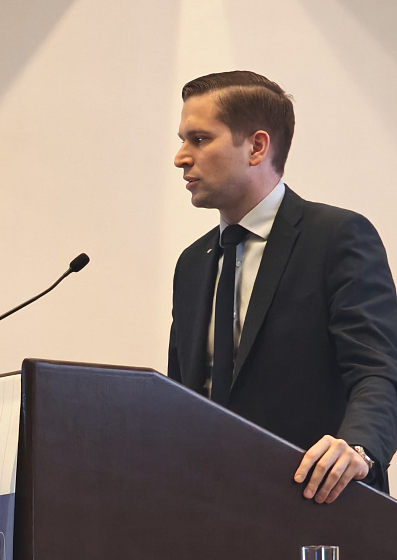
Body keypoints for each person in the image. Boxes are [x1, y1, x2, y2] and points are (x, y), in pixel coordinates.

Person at [168, 70, 397, 503]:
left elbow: (378, 370)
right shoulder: (192, 264)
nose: (181, 157)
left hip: (315, 504)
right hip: (209, 507)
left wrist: (359, 449)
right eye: (183, 140)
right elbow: (181, 395)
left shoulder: (336, 238)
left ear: (256, 147)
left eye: (199, 140)